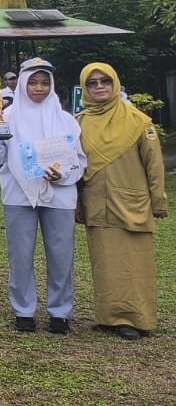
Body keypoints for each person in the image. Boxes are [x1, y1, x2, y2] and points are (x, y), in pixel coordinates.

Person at [0, 58, 86, 334]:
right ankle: (23, 311)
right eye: (33, 82)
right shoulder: (6, 115)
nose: (39, 88)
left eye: (44, 83)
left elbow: (79, 159)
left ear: (52, 86)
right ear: (23, 84)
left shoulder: (66, 120)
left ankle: (59, 312)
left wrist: (61, 174)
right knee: (21, 255)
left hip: (60, 196)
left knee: (61, 255)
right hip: (19, 194)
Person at [76, 63, 165, 339]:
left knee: (135, 263)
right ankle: (108, 317)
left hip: (131, 204)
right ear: (85, 89)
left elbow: (154, 165)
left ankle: (136, 320)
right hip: (96, 203)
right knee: (104, 262)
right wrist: (77, 203)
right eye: (92, 83)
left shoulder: (139, 121)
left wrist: (158, 201)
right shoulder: (79, 122)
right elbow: (74, 166)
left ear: (115, 83)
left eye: (105, 81)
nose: (99, 86)